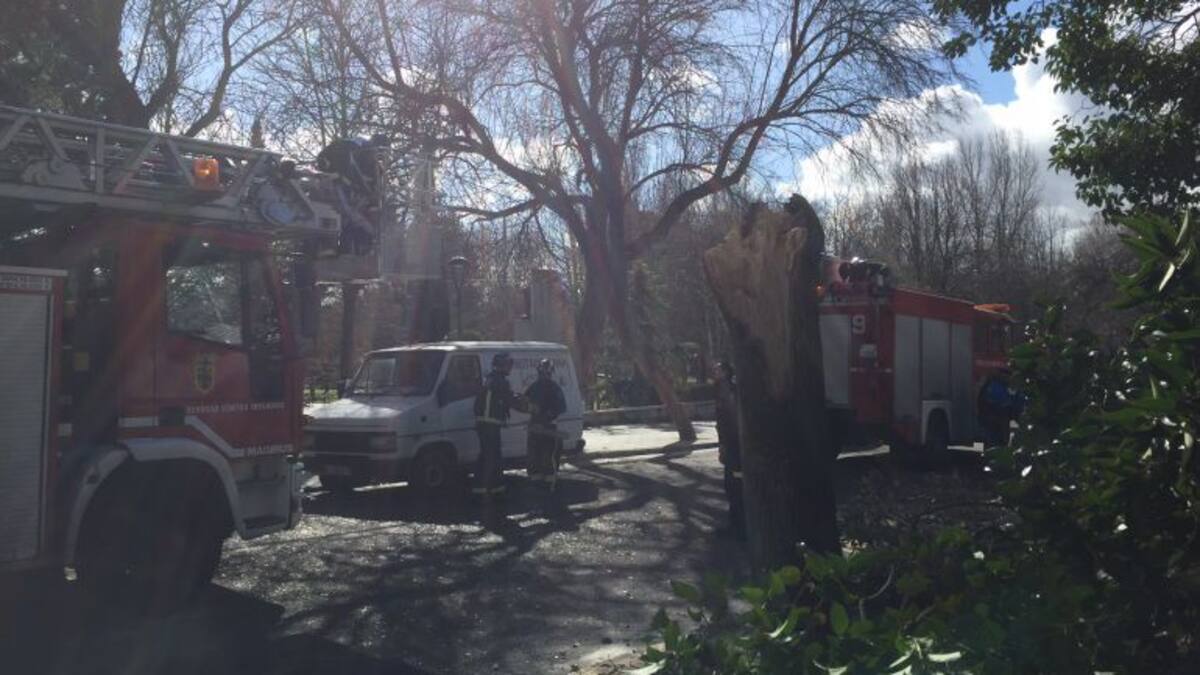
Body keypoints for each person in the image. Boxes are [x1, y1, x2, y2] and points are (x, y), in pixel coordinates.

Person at [474, 353, 522, 510]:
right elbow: (510, 400)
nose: (509, 368)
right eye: (508, 364)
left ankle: (483, 491)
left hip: (483, 424)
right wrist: (530, 407)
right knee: (493, 459)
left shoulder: (490, 378)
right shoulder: (501, 381)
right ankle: (494, 493)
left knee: (486, 457)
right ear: (501, 365)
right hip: (490, 425)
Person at [713, 360, 745, 540]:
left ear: (725, 372)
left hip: (733, 446)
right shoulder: (721, 391)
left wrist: (725, 445)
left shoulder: (728, 391)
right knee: (731, 484)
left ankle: (739, 525)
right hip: (730, 444)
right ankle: (736, 522)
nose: (714, 373)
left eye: (718, 370)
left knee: (734, 484)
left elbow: (728, 422)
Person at [524, 359, 567, 491]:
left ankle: (549, 484)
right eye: (542, 372)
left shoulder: (554, 388)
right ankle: (536, 482)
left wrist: (549, 414)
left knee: (548, 456)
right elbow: (525, 403)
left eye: (546, 372)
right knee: (534, 455)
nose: (543, 375)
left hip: (548, 427)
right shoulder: (534, 387)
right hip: (535, 427)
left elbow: (562, 407)